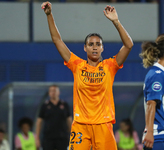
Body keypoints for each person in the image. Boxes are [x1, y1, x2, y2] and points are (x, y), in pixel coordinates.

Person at [40, 2, 133, 150]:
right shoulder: (77, 65)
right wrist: (49, 15)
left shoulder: (110, 66)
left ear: (102, 48)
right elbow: (57, 40)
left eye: (98, 44)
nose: (94, 47)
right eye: (91, 44)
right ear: (85, 48)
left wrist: (116, 21)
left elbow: (128, 45)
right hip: (80, 126)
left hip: (103, 125)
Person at [36, 85, 72, 150]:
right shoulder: (45, 105)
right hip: (48, 138)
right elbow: (39, 122)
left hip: (62, 137)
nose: (53, 92)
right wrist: (37, 138)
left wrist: (72, 135)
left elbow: (69, 121)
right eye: (51, 91)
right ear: (49, 93)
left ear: (59, 92)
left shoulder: (64, 104)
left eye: (55, 91)